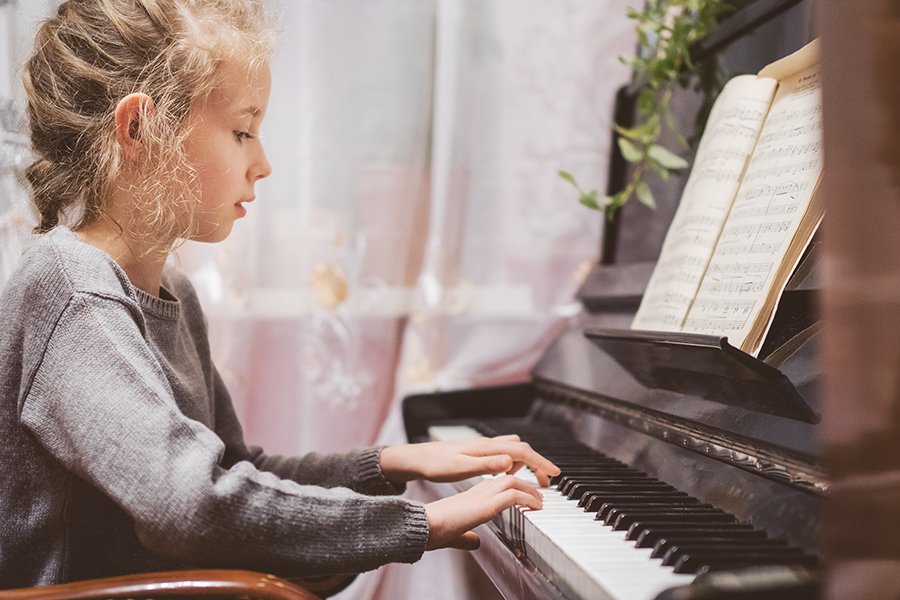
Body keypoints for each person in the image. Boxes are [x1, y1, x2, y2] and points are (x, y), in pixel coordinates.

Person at [0, 0, 560, 590]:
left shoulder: (174, 295)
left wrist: (389, 463)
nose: (263, 163)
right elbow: (192, 507)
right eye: (242, 131)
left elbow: (236, 472)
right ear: (140, 130)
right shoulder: (70, 293)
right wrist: (421, 520)